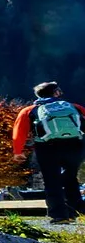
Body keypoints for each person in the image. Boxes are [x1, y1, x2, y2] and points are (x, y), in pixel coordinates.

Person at [14, 82, 83, 224]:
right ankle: (76, 210)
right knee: (70, 177)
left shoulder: (30, 110)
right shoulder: (73, 107)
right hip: (75, 147)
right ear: (56, 93)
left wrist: (18, 151)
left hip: (47, 147)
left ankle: (60, 215)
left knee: (52, 180)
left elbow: (19, 132)